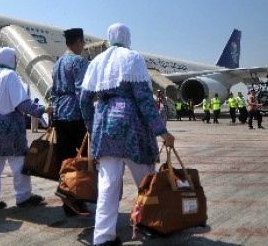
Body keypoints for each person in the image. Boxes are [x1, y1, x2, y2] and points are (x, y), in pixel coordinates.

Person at [80, 23, 175, 246]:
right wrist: (162, 131)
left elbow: (84, 101)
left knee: (107, 185)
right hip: (132, 126)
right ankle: (153, 223)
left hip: (105, 125)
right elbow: (143, 100)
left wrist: (92, 127)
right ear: (127, 37)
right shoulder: (134, 58)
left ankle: (103, 238)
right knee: (146, 180)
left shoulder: (96, 62)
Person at [0, 47, 51, 213]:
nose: (16, 61)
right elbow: (22, 103)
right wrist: (43, 110)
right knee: (19, 162)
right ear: (9, 59)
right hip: (8, 127)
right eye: (15, 58)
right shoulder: (10, 75)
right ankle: (23, 196)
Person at [51, 27, 89, 216]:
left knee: (65, 160)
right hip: (76, 115)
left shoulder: (57, 64)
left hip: (60, 115)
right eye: (82, 43)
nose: (83, 46)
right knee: (84, 159)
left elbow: (53, 92)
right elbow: (83, 92)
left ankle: (68, 200)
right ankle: (82, 195)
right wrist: (90, 117)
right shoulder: (78, 62)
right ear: (78, 42)